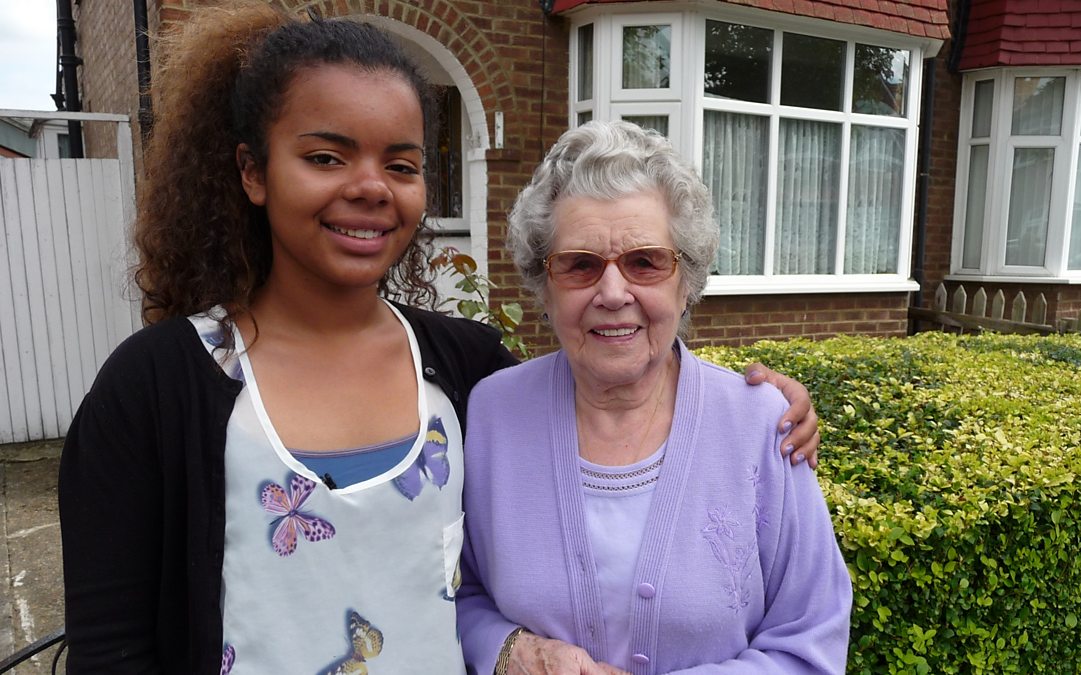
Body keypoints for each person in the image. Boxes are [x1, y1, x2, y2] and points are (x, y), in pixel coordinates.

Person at [56, 5, 820, 673]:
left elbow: (602, 394)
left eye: (401, 163)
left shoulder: (464, 371)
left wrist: (752, 406)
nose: (370, 186)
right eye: (325, 157)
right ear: (253, 172)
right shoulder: (155, 389)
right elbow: (111, 649)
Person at [457, 121, 853, 675]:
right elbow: (456, 592)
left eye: (645, 262)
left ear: (685, 281)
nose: (612, 293)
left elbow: (810, 642)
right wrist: (508, 650)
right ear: (544, 287)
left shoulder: (762, 425)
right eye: (580, 265)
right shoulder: (491, 414)